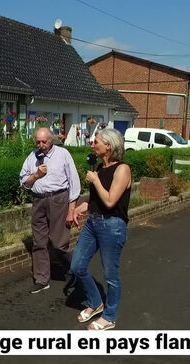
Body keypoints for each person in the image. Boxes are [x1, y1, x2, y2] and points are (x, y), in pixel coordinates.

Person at [70, 128, 131, 330]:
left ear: (109, 146)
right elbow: (97, 200)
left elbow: (111, 200)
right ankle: (96, 303)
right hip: (93, 223)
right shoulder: (99, 167)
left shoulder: (122, 169)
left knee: (110, 275)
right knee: (77, 266)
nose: (92, 144)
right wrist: (81, 207)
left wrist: (95, 180)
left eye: (96, 142)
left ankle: (110, 316)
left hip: (112, 226)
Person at [20, 127, 81, 294]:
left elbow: (74, 183)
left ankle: (76, 269)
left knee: (59, 243)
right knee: (39, 242)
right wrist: (36, 176)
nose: (40, 145)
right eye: (38, 142)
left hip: (58, 199)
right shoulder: (32, 156)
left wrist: (71, 209)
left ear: (51, 140)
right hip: (39, 200)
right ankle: (41, 279)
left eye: (44, 141)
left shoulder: (63, 155)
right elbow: (24, 182)